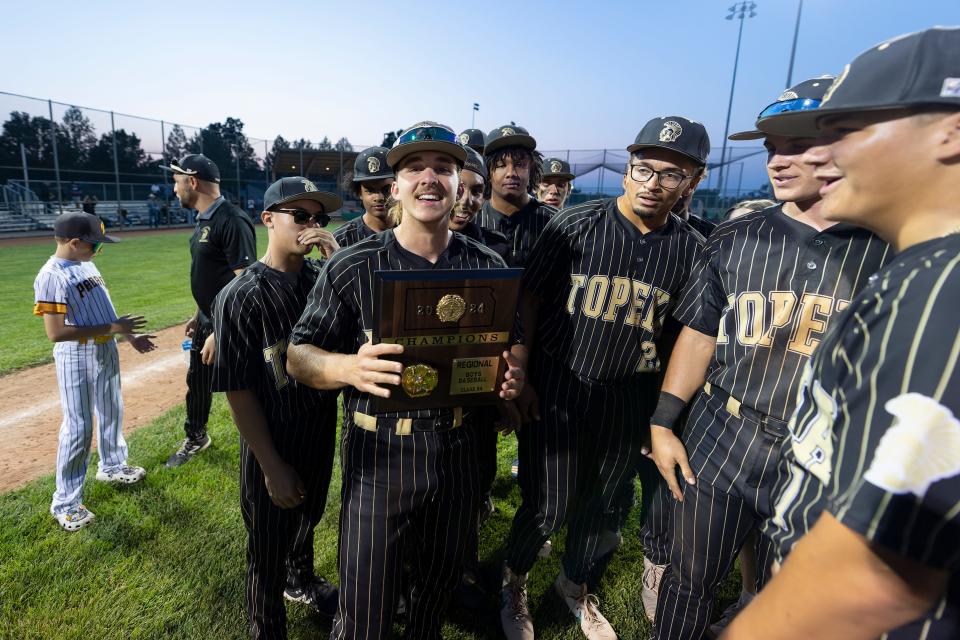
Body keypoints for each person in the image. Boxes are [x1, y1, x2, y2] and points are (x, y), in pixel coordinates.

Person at [725, 27, 960, 640]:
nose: (820, 156)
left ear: (951, 131)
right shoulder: (924, 270)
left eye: (848, 131)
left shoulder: (944, 290)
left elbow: (877, 572)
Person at [645, 78, 891, 640]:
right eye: (772, 145)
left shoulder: (892, 247)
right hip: (723, 434)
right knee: (688, 580)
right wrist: (663, 421)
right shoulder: (738, 236)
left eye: (796, 143)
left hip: (825, 453)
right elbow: (700, 333)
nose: (778, 160)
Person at [286, 121, 525, 640]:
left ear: (461, 184)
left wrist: (510, 377)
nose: (429, 178)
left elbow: (509, 346)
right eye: (414, 167)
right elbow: (298, 354)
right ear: (395, 187)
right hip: (381, 457)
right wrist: (347, 367)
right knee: (365, 613)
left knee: (433, 601)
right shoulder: (352, 265)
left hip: (460, 451)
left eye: (443, 168)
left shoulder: (487, 264)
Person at [500, 116, 710, 640]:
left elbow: (682, 334)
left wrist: (661, 414)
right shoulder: (575, 224)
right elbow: (529, 298)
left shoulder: (691, 249)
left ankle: (573, 587)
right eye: (643, 168)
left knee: (601, 505)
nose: (652, 183)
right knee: (548, 505)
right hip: (561, 385)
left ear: (693, 181)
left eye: (670, 174)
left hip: (628, 394)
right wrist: (521, 371)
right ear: (626, 170)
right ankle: (513, 581)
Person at [212, 177, 341, 639]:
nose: (311, 225)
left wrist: (335, 262)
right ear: (268, 219)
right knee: (267, 548)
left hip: (318, 430)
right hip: (273, 440)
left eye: (318, 217)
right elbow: (239, 392)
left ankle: (301, 579)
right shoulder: (241, 295)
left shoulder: (321, 281)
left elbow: (362, 331)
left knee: (308, 518)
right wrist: (270, 467)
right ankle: (267, 626)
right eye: (300, 215)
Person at [32, 211, 156, 531]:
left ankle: (112, 465)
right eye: (94, 245)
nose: (98, 250)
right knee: (79, 427)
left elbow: (104, 305)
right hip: (77, 357)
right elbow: (56, 333)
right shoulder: (51, 276)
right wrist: (114, 327)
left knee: (112, 410)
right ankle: (66, 502)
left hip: (105, 349)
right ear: (74, 243)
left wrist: (128, 336)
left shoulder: (85, 264)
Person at [162, 154, 256, 468]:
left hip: (229, 323)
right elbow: (210, 276)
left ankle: (260, 448)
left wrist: (222, 327)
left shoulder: (231, 219)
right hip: (207, 319)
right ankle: (197, 436)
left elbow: (245, 281)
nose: (174, 189)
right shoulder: (204, 220)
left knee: (242, 387)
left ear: (192, 181)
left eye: (176, 182)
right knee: (198, 381)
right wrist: (198, 314)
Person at [475, 124, 555, 268]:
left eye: (519, 164)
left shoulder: (556, 222)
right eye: (500, 165)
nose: (511, 173)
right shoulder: (472, 220)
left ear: (531, 169)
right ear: (488, 172)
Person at [334, 146, 395, 248]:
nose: (378, 197)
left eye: (386, 190)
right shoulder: (341, 239)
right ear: (359, 193)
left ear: (398, 187)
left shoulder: (416, 230)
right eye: (370, 191)